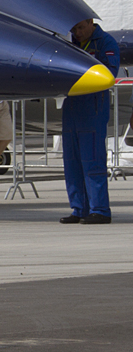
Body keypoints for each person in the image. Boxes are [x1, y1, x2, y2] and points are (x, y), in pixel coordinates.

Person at [60, 18, 120, 225]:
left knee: (92, 160)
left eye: (81, 28)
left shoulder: (105, 42)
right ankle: (79, 208)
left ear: (89, 22)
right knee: (72, 161)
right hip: (72, 106)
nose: (78, 32)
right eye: (74, 29)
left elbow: (110, 73)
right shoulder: (70, 44)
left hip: (93, 106)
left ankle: (100, 210)